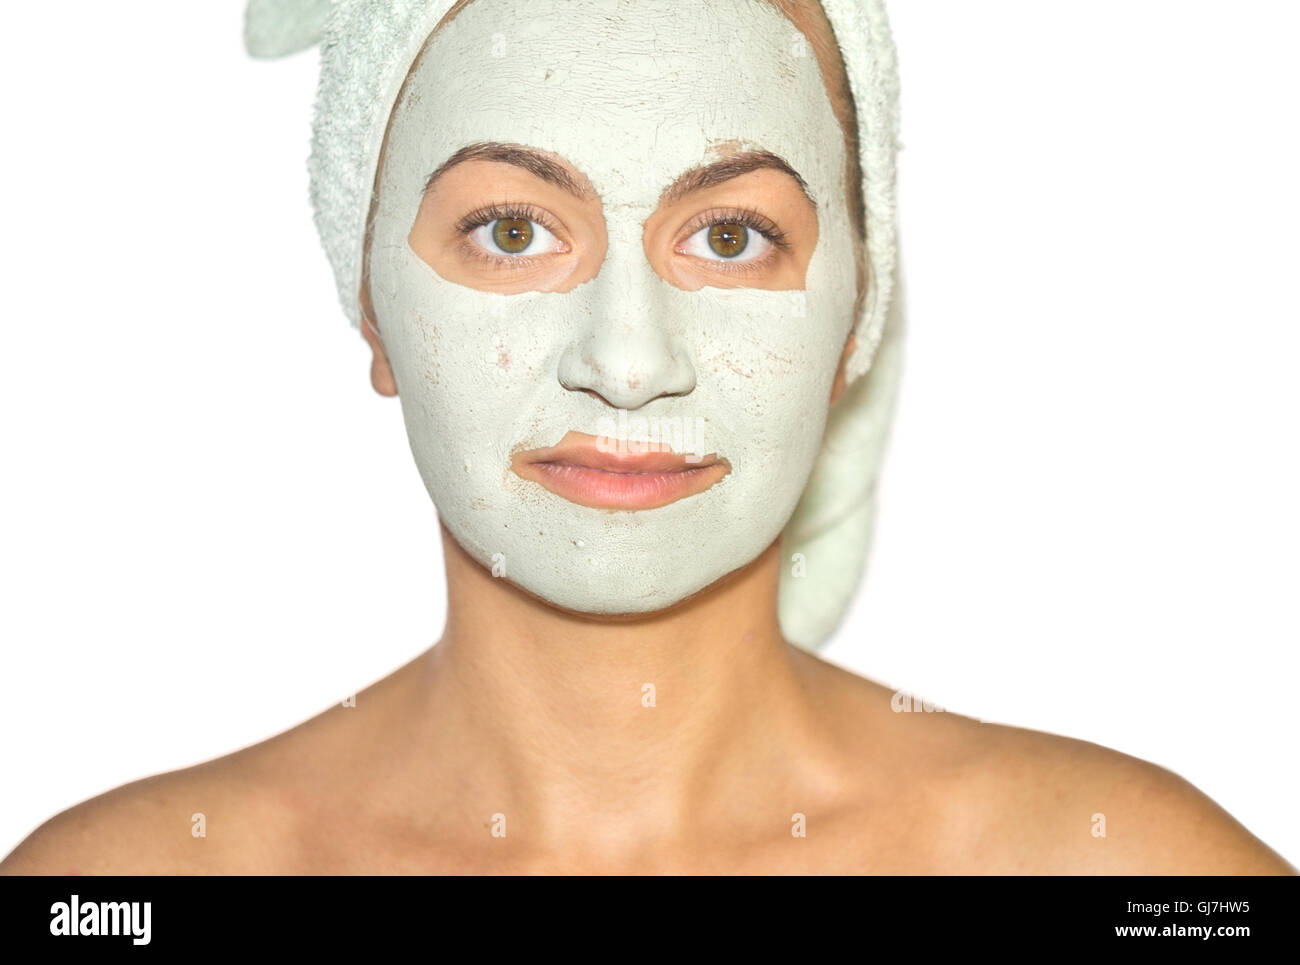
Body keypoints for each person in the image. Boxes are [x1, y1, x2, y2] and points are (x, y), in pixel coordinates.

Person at [2, 0, 1293, 875]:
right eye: (512, 229)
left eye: (731, 236)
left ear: (857, 313)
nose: (627, 362)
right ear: (372, 303)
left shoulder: (1134, 876)